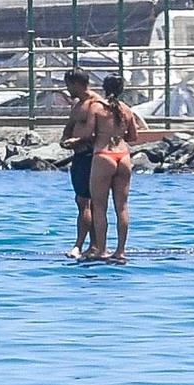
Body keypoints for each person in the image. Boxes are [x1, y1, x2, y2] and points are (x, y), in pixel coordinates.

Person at [87, 75, 140, 263]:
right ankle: (120, 251)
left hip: (103, 155)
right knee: (122, 207)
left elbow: (88, 133)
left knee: (99, 206)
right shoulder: (127, 110)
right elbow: (133, 136)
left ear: (103, 87)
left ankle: (101, 249)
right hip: (123, 156)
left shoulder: (97, 108)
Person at [58, 68, 100, 258]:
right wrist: (66, 139)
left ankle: (80, 245)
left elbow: (95, 132)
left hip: (90, 156)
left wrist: (78, 141)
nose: (67, 89)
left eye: (69, 85)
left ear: (77, 84)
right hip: (79, 158)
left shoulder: (95, 104)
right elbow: (69, 126)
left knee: (86, 202)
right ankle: (92, 245)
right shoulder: (77, 105)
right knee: (82, 201)